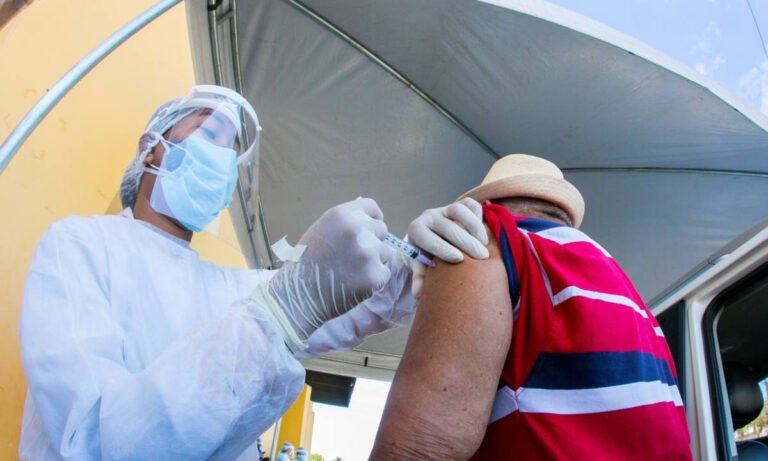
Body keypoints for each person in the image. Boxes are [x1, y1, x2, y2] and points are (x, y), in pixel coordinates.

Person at [17, 85, 490, 460]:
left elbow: (353, 304)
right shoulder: (79, 244)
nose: (221, 157)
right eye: (209, 133)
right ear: (150, 149)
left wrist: (418, 261)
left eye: (230, 149)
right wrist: (283, 307)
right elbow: (90, 444)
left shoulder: (225, 286)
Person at [371, 154, 692, 460]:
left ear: (483, 206)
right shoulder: (627, 291)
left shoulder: (483, 240)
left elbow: (421, 446)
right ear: (561, 212)